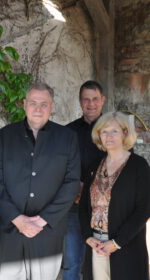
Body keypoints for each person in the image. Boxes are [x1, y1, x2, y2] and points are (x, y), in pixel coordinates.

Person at [0, 82, 80, 280]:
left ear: (52, 106)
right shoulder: (5, 136)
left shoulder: (68, 138)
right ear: (24, 104)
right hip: (11, 228)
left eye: (44, 104)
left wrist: (43, 219)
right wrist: (18, 219)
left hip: (48, 230)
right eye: (33, 103)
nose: (38, 109)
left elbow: (72, 183)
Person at [79, 111, 150, 280]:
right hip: (96, 246)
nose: (108, 136)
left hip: (126, 246)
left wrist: (117, 243)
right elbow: (84, 206)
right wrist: (88, 237)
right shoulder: (94, 165)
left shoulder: (138, 166)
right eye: (104, 131)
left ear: (125, 133)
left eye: (114, 131)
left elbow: (144, 208)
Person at [63, 80, 106, 280]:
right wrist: (74, 186)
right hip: (74, 205)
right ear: (80, 102)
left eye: (95, 99)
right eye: (86, 100)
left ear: (102, 100)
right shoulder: (66, 132)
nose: (91, 104)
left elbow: (124, 167)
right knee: (72, 262)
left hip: (104, 208)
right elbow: (58, 167)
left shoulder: (114, 130)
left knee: (102, 260)